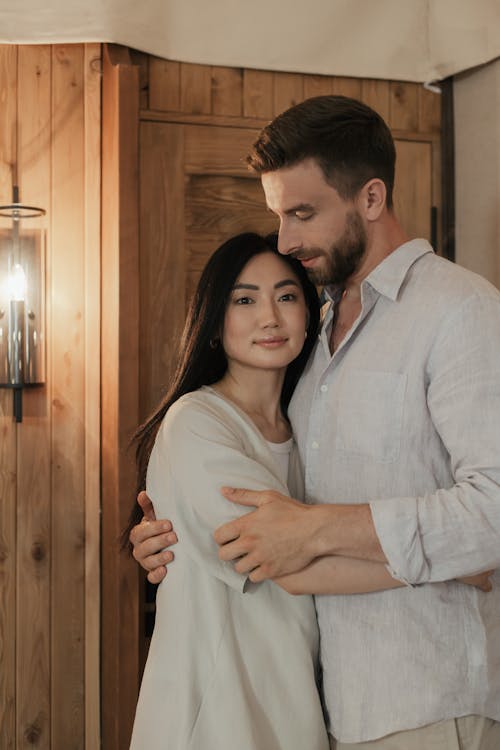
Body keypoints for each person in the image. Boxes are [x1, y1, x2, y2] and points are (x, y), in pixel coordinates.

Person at [130, 97, 500, 749]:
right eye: (279, 216)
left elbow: (496, 507)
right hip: (330, 712)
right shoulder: (316, 339)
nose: (287, 241)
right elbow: (263, 523)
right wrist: (173, 540)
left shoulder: (460, 310)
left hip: (430, 702)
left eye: (302, 213)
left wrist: (315, 529)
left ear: (371, 197)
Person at [128, 231, 421, 750]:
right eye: (244, 299)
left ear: (310, 315)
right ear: (215, 321)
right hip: (213, 718)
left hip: (296, 714)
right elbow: (288, 561)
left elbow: (321, 540)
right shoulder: (197, 422)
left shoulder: (309, 425)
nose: (270, 316)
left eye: (286, 296)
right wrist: (445, 562)